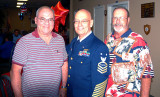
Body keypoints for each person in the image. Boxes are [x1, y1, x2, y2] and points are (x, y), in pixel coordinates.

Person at [10, 6, 68, 97]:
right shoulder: (24, 42)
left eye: (50, 19)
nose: (47, 23)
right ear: (36, 20)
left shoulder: (60, 40)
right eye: (42, 19)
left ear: (54, 21)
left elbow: (64, 63)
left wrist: (64, 86)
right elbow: (15, 72)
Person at [105, 7, 154, 97]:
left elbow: (146, 73)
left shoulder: (138, 40)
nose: (118, 21)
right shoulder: (108, 39)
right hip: (108, 93)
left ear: (128, 20)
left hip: (128, 94)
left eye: (121, 18)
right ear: (112, 20)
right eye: (115, 18)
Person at [66, 9, 110, 97]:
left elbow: (100, 82)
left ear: (91, 23)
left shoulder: (99, 47)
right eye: (76, 21)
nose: (79, 24)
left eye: (84, 21)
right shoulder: (73, 43)